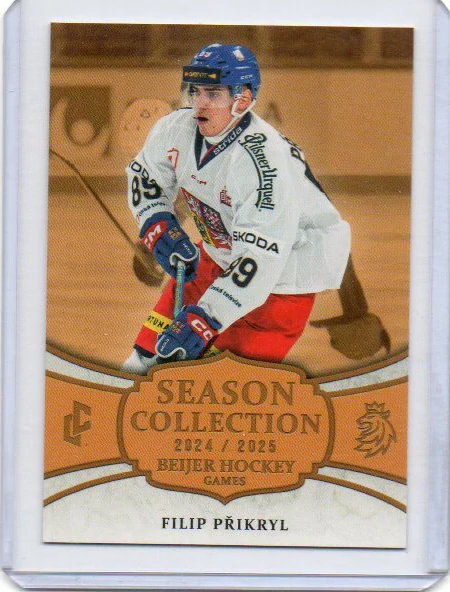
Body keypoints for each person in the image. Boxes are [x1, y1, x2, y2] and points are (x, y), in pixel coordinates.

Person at [123, 43, 351, 374]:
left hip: (280, 284)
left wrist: (206, 319)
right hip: (218, 253)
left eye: (213, 94)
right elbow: (146, 176)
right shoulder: (175, 128)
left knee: (216, 383)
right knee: (143, 362)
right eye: (195, 90)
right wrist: (157, 223)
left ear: (242, 100)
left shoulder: (266, 166)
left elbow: (259, 261)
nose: (199, 103)